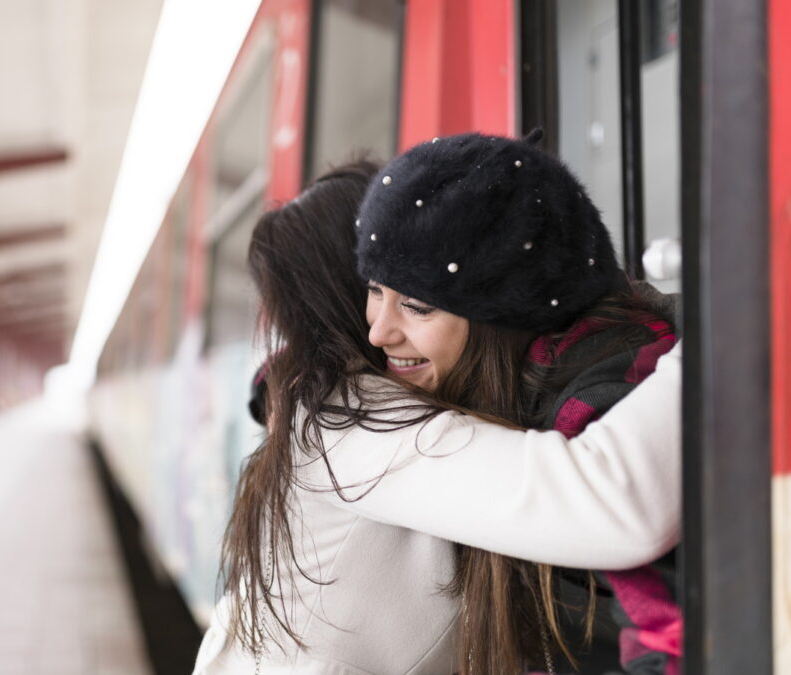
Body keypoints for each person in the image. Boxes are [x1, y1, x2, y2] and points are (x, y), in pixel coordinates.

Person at [192, 154, 681, 674]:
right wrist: (722, 320)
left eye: (415, 301)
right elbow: (612, 503)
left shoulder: (343, 401)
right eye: (375, 291)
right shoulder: (349, 420)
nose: (381, 330)